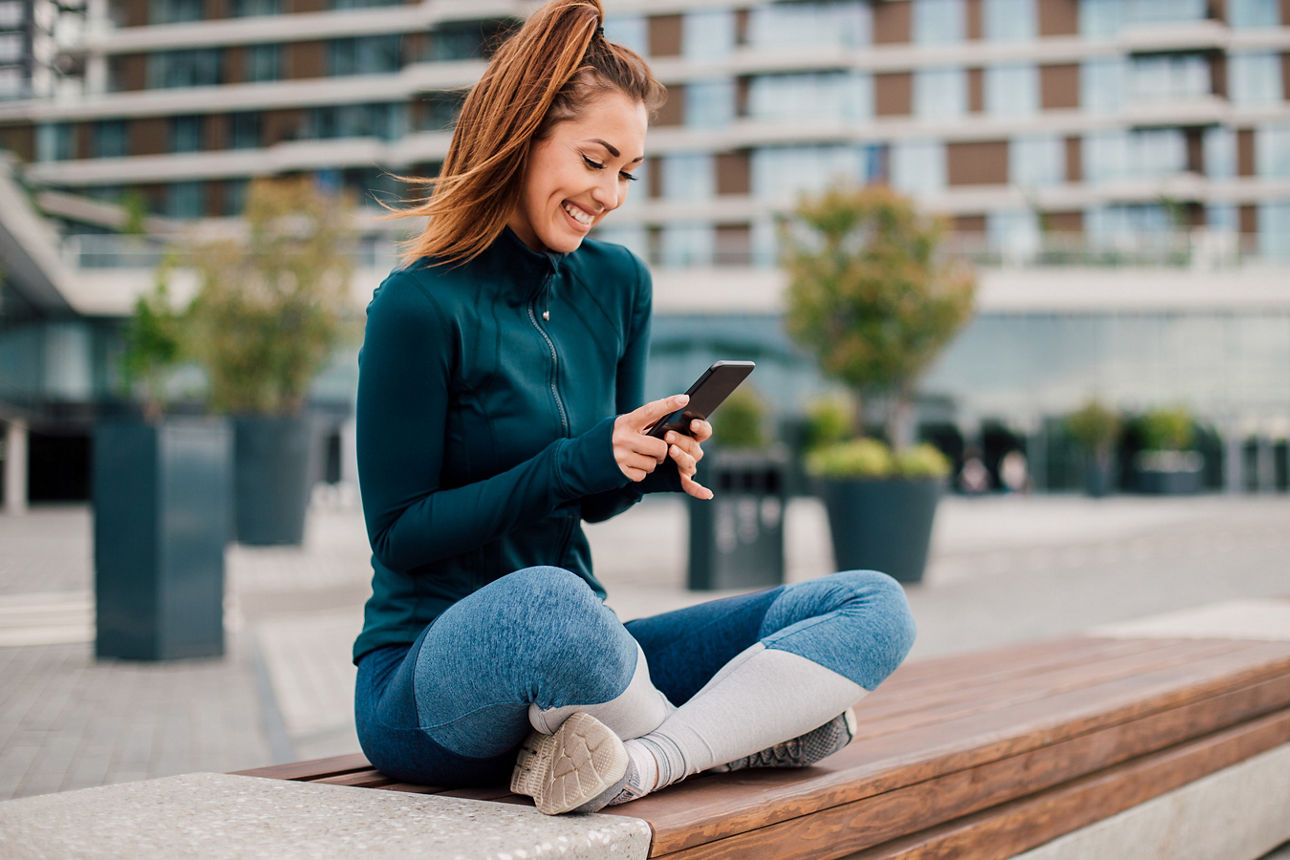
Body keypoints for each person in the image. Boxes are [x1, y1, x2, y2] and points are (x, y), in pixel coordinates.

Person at [353, 0, 917, 816]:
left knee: (872, 602)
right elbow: (399, 533)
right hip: (431, 677)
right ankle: (730, 738)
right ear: (523, 133)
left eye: (627, 172)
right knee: (553, 604)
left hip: (591, 662)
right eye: (595, 160)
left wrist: (646, 463)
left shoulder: (618, 286)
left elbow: (596, 497)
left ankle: (649, 764)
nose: (610, 193)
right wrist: (580, 459)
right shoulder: (417, 305)